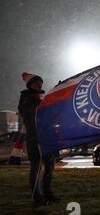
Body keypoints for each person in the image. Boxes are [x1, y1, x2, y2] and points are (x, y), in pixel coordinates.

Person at [18, 72, 56, 205]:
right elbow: (28, 114)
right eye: (36, 82)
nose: (39, 84)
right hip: (35, 138)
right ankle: (37, 197)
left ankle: (48, 194)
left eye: (40, 82)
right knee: (36, 166)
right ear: (30, 85)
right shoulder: (26, 98)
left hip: (47, 136)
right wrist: (40, 101)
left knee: (50, 166)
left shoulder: (43, 97)